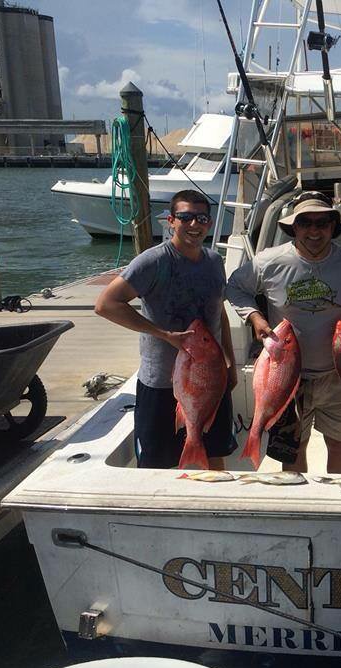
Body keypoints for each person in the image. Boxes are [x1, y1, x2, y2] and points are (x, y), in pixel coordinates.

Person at [226, 191, 341, 473]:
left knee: (338, 444)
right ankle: (296, 502)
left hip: (339, 375)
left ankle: (337, 504)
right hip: (285, 376)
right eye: (306, 223)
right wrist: (255, 318)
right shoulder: (268, 261)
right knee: (293, 449)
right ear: (294, 227)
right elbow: (235, 288)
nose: (314, 230)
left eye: (322, 223)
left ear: (333, 228)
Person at [95, 189, 238, 469]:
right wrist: (164, 335)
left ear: (209, 223)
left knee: (214, 455)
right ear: (171, 221)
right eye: (185, 218)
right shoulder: (153, 261)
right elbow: (106, 304)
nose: (195, 225)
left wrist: (230, 363)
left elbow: (218, 313)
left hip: (212, 378)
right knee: (157, 465)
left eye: (202, 218)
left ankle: (213, 507)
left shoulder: (213, 261)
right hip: (162, 383)